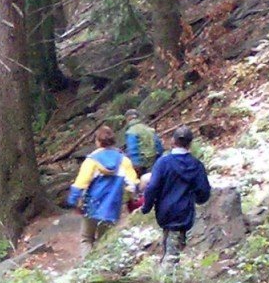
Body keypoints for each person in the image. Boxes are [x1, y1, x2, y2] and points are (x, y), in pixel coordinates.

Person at [141, 124, 212, 263]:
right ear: (190, 144)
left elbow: (152, 187)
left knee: (171, 247)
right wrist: (197, 199)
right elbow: (204, 191)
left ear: (172, 141)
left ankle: (169, 277)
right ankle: (174, 274)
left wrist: (146, 207)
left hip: (165, 211)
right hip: (186, 211)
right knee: (177, 243)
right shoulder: (196, 165)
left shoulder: (163, 163)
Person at [66, 124, 139, 254]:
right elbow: (133, 184)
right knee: (105, 240)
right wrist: (127, 198)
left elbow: (80, 184)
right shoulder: (124, 160)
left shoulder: (91, 161)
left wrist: (73, 202)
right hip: (112, 207)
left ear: (98, 142)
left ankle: (87, 267)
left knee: (86, 239)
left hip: (92, 206)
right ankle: (101, 268)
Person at [124, 109, 163, 175]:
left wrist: (136, 166)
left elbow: (132, 150)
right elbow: (158, 144)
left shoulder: (130, 132)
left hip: (144, 165)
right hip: (155, 160)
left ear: (127, 119)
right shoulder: (148, 128)